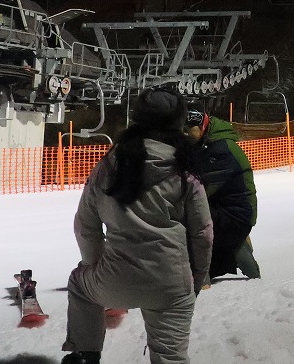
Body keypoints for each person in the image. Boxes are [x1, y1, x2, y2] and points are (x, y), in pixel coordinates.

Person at [61, 87, 214, 364]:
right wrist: (197, 279)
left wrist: (94, 265)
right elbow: (203, 234)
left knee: (80, 284)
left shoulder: (109, 165)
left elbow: (86, 226)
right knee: (171, 357)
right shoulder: (184, 172)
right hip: (171, 283)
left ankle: (85, 354)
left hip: (113, 278)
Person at [183, 108, 261, 281]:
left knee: (189, 219)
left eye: (189, 129)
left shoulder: (221, 149)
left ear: (202, 127)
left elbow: (201, 189)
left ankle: (199, 278)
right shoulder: (207, 144)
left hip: (237, 215)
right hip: (228, 210)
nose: (185, 133)